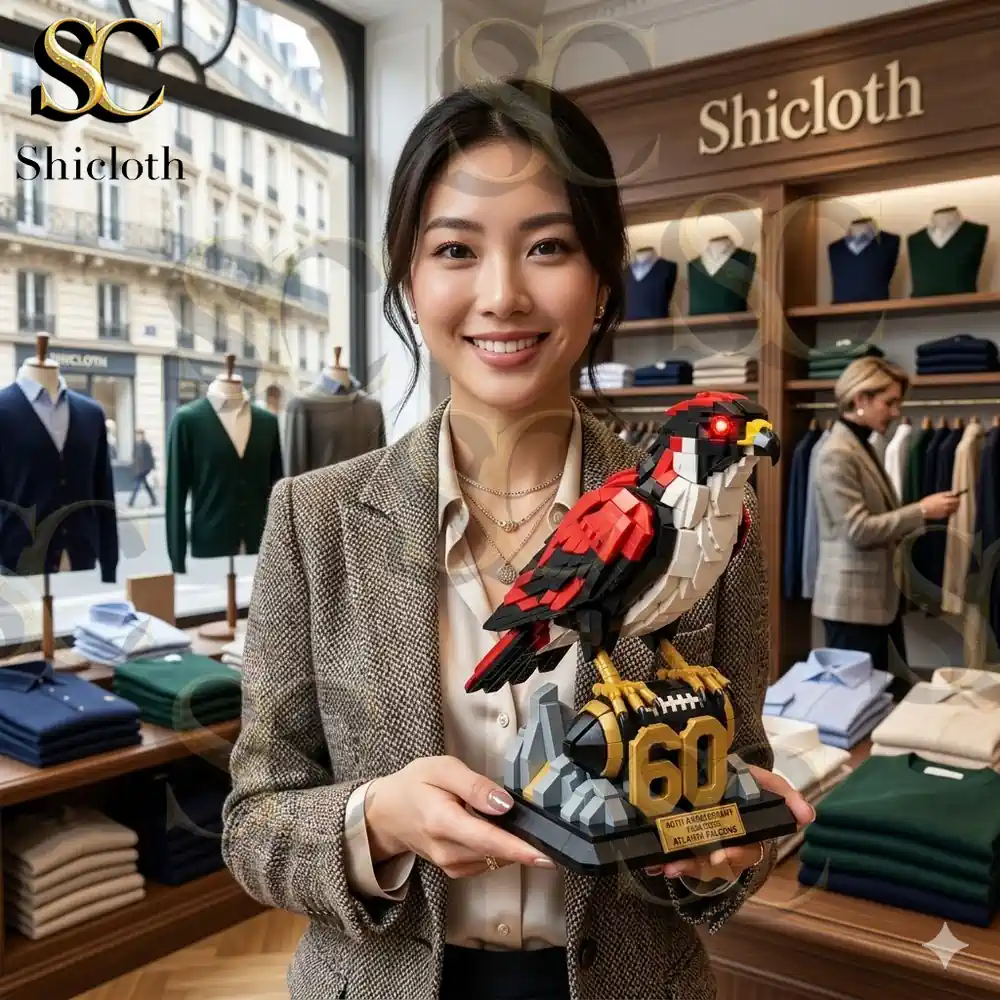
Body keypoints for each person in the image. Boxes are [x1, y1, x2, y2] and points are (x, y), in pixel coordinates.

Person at [221, 78, 812, 1000]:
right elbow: (254, 823)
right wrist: (375, 820)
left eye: (548, 247)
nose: (502, 295)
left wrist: (719, 857)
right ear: (408, 280)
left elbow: (740, 783)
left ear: (603, 278)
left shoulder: (713, 511)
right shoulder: (315, 520)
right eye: (455, 249)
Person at [811, 356, 960, 692]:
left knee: (885, 697)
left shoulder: (862, 446)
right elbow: (858, 530)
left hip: (875, 602)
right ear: (861, 398)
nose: (895, 412)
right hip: (853, 606)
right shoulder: (837, 452)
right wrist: (922, 510)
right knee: (858, 703)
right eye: (889, 402)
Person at [128, 429, 156, 507]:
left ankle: (131, 502)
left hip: (144, 469)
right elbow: (134, 456)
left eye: (140, 435)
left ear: (143, 436)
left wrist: (151, 467)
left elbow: (150, 457)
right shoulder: (136, 445)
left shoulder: (146, 445)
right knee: (146, 485)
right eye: (137, 435)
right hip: (138, 469)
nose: (138, 437)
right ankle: (153, 500)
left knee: (137, 486)